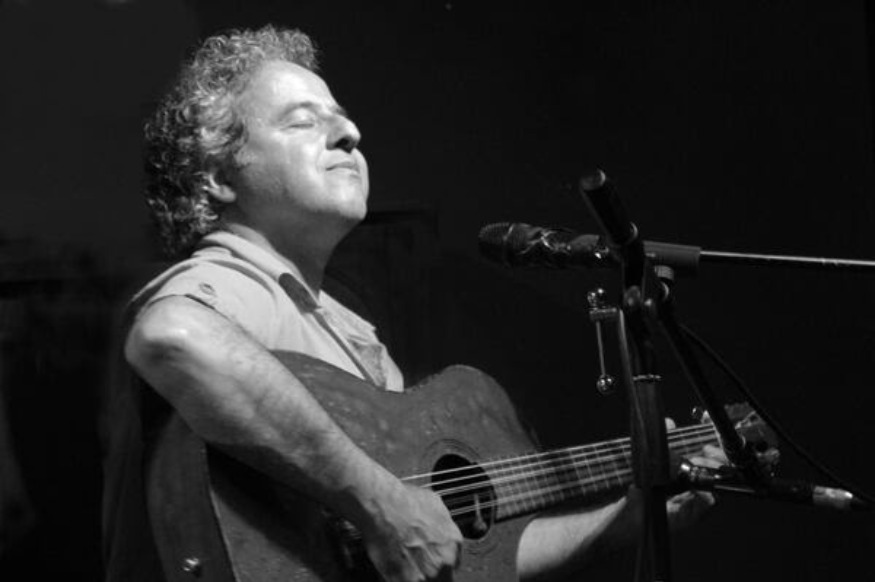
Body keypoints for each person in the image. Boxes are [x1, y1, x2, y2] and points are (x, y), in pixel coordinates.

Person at [101, 24, 724, 582]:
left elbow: (472, 560)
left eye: (342, 118)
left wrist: (625, 519)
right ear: (218, 177)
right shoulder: (233, 278)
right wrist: (380, 500)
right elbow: (172, 337)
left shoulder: (348, 327)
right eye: (301, 121)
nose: (350, 133)